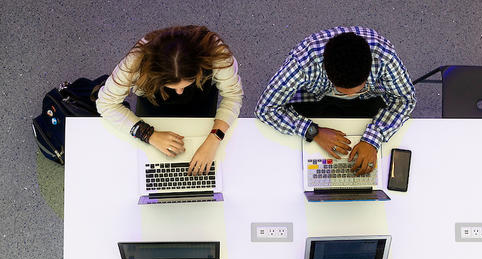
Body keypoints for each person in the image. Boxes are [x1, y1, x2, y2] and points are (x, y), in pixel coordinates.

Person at [255, 26, 416, 176]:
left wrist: (373, 140)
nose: (348, 96)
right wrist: (312, 131)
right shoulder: (303, 61)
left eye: (358, 88)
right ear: (325, 69)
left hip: (368, 100)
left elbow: (405, 99)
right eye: (341, 90)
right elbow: (265, 108)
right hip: (314, 100)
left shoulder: (384, 56)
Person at [97, 25, 243, 175]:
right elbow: (105, 103)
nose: (179, 92)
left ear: (199, 67)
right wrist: (149, 135)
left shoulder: (216, 53)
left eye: (187, 83)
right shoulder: (135, 61)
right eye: (172, 87)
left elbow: (233, 96)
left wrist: (213, 140)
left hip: (201, 107)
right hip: (153, 109)